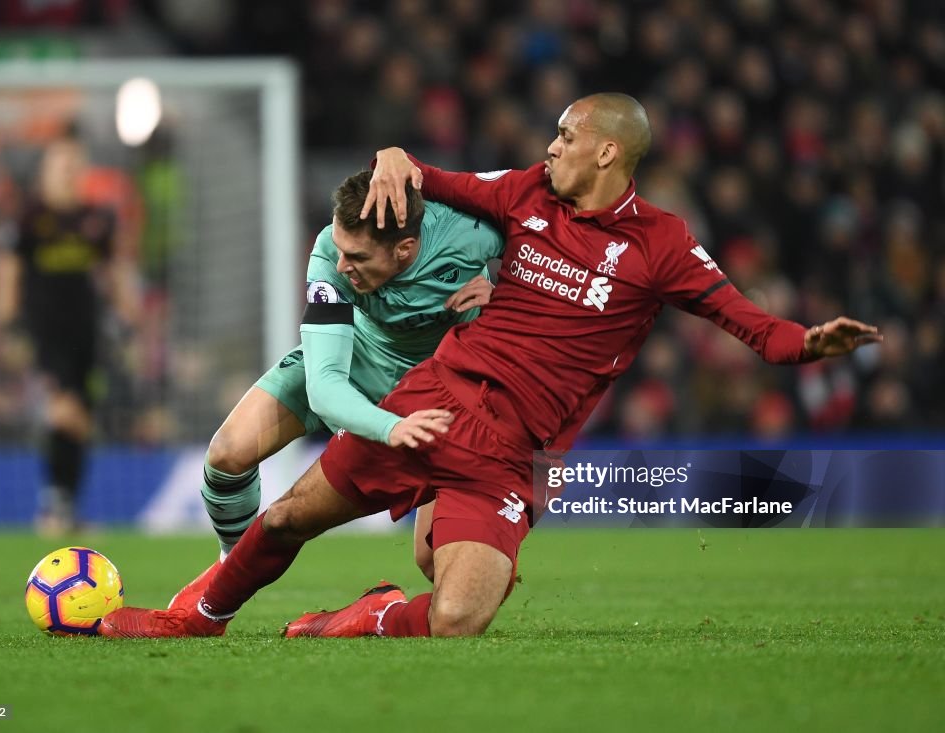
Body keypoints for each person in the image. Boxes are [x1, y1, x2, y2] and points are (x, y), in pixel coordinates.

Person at [100, 93, 880, 639]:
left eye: (566, 136)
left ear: (608, 150)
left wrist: (804, 343)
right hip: (437, 396)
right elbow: (428, 179)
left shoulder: (663, 245)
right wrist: (394, 153)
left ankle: (362, 616)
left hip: (523, 453)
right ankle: (193, 617)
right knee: (286, 516)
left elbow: (743, 320)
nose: (550, 147)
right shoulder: (525, 193)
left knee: (456, 617)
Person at [165, 169, 503, 608]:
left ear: (405, 249)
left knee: (435, 562)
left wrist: (510, 294)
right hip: (352, 356)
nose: (342, 265)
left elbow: (542, 219)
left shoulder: (470, 231)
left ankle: (375, 610)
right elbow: (325, 386)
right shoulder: (330, 254)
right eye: (340, 248)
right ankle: (233, 565)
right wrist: (388, 427)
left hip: (438, 390)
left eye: (357, 256)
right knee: (227, 454)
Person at [0, 135, 139, 535]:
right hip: (44, 336)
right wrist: (6, 327)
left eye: (75, 167)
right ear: (45, 172)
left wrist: (128, 315)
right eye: (61, 166)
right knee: (64, 412)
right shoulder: (27, 219)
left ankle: (64, 505)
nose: (68, 174)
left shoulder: (96, 220)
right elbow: (8, 273)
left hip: (86, 336)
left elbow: (116, 269)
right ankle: (55, 504)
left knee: (81, 420)